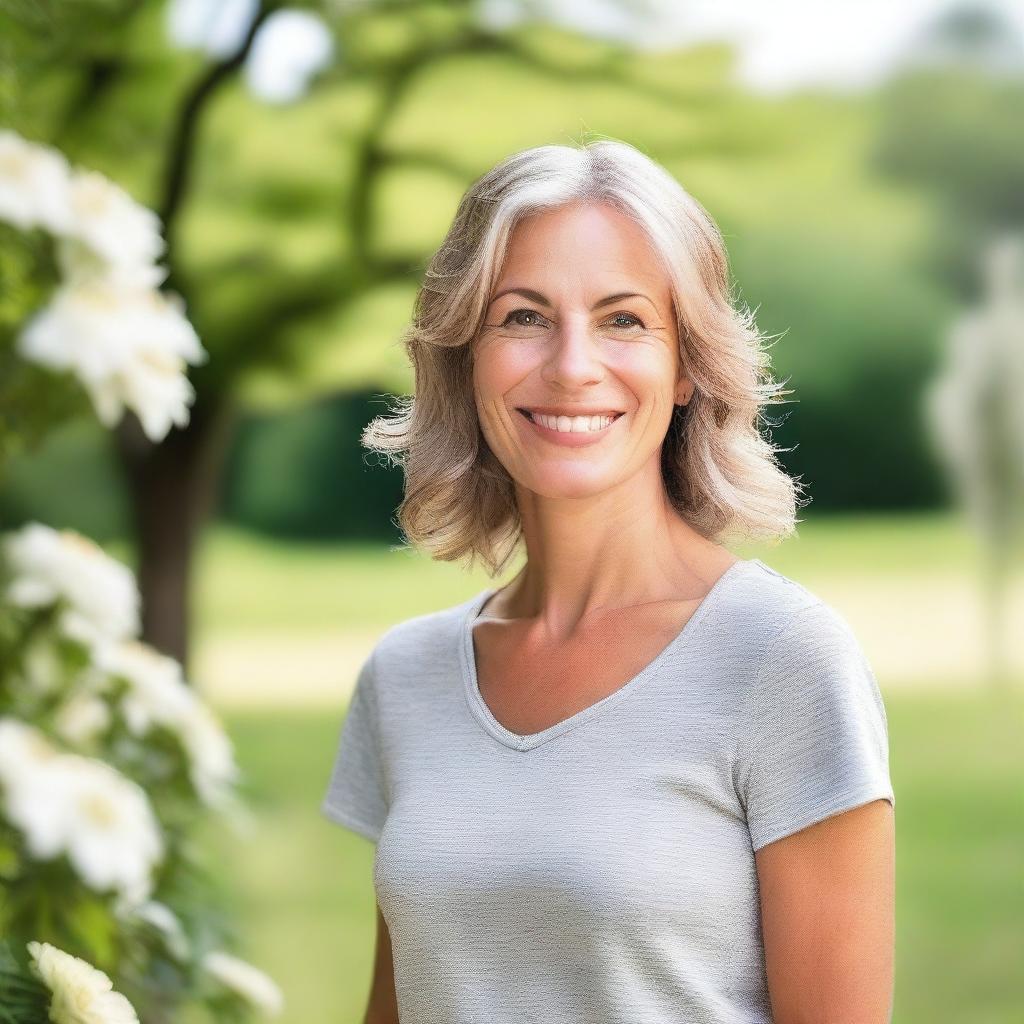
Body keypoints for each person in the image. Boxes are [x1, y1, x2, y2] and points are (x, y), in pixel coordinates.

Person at [321, 139, 896, 1024]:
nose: (572, 365)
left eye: (623, 319)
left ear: (685, 369)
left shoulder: (782, 660)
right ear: (465, 358)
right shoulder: (407, 676)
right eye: (523, 316)